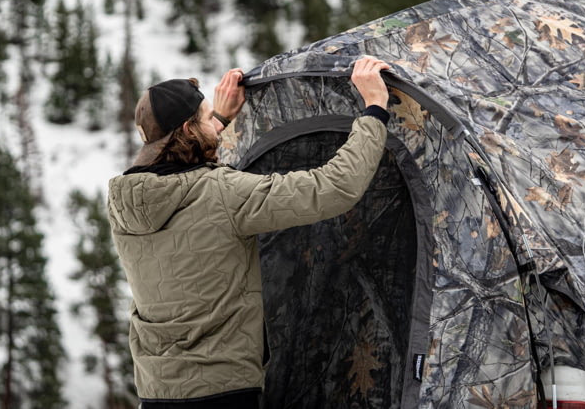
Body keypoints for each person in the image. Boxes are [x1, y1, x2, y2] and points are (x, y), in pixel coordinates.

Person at [107, 56, 392, 408]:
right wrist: (375, 109)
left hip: (156, 392)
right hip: (223, 391)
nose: (213, 122)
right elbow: (334, 187)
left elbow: (176, 172)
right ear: (187, 131)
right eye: (205, 118)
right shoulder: (222, 193)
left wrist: (219, 121)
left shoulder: (124, 204)